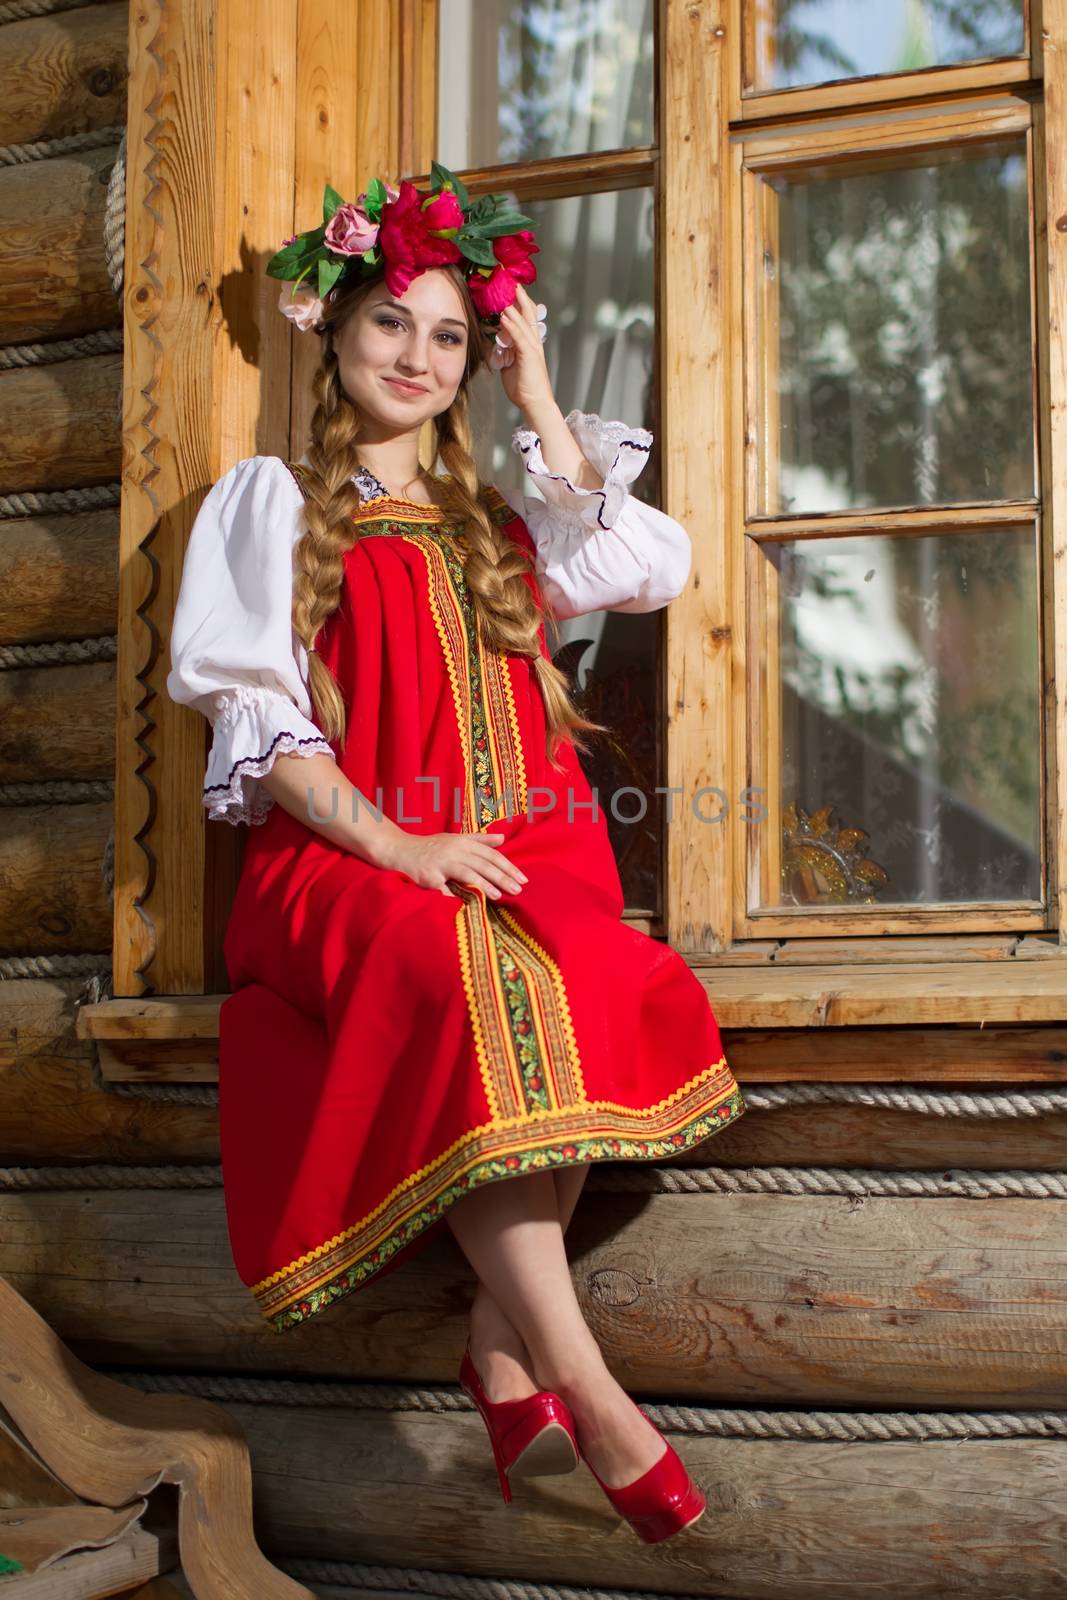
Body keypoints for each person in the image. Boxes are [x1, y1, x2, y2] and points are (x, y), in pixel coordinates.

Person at [166, 163, 746, 1545]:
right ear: (335, 336)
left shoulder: (504, 520)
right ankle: (589, 1387)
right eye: (391, 326)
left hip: (534, 849)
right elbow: (264, 724)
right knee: (470, 982)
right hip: (357, 855)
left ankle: (498, 1350)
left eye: (449, 336)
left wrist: (539, 388)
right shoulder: (269, 502)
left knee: (602, 980)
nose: (420, 359)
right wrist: (405, 846)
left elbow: (651, 565)